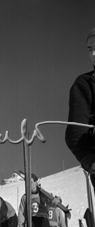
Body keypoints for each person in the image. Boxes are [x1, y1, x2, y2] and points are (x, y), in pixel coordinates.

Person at [65, 27, 95, 190]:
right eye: (90, 49)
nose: (93, 54)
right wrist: (88, 159)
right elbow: (76, 131)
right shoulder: (84, 84)